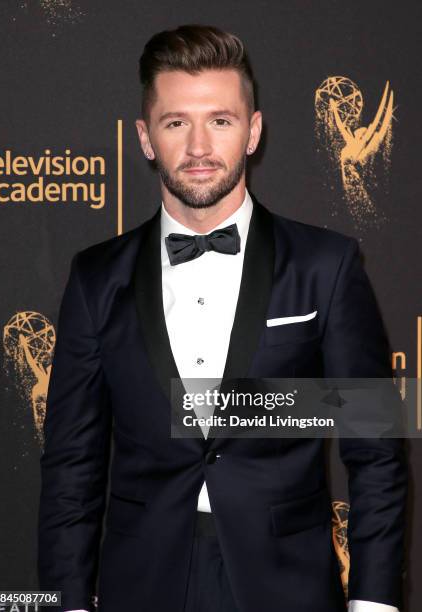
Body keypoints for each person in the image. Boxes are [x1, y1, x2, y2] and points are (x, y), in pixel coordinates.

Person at [37, 24, 407, 612]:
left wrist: (374, 602)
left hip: (289, 585)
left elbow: (376, 449)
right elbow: (71, 465)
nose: (200, 147)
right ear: (146, 138)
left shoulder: (326, 265)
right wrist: (65, 602)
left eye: (221, 120)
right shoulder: (95, 278)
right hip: (142, 582)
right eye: (176, 122)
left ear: (253, 131)